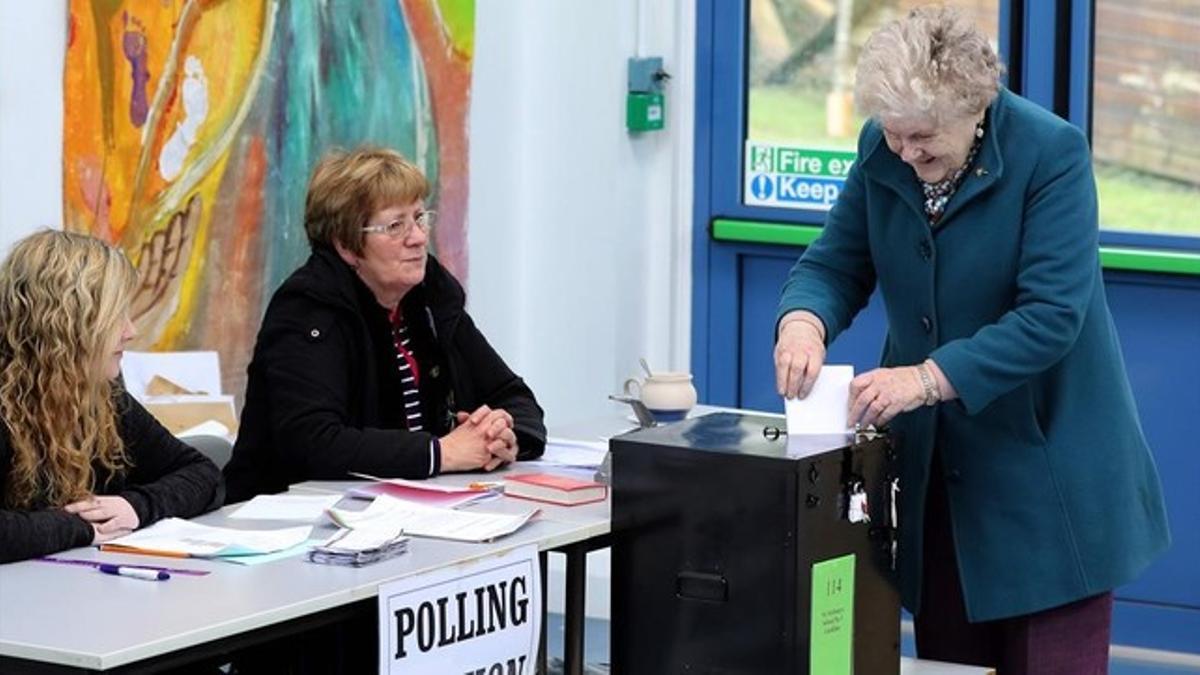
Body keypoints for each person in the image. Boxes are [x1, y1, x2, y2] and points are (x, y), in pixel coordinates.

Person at [773, 7, 1169, 672]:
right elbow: (835, 264)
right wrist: (803, 322)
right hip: (941, 483)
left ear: (974, 105)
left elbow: (1050, 316)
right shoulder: (884, 149)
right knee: (947, 664)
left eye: (921, 136)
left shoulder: (1051, 154)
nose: (906, 152)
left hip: (1050, 479)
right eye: (894, 136)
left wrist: (923, 378)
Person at [224, 146, 546, 503]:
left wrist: (502, 435)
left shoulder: (429, 296)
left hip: (406, 512)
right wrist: (441, 453)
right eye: (396, 225)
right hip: (291, 525)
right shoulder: (308, 309)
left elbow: (513, 397)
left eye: (420, 218)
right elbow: (313, 442)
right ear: (347, 245)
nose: (418, 237)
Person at [0, 231, 224, 564]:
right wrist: (79, 527)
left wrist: (135, 507)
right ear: (66, 323)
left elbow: (203, 474)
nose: (130, 331)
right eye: (115, 316)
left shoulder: (100, 396)